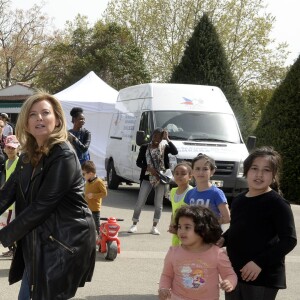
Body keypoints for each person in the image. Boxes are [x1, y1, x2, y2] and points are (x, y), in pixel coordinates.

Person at [0, 91, 96, 300]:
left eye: (45, 113)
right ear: (25, 122)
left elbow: (42, 205)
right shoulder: (27, 155)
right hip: (39, 239)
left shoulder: (64, 154)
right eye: (33, 114)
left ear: (58, 120)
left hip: (64, 243)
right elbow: (7, 193)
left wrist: (4, 236)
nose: (39, 118)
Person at [219, 147, 297, 300]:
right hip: (235, 272)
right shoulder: (239, 199)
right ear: (246, 171)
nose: (259, 174)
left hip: (262, 276)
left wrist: (259, 263)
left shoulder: (278, 204)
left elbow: (289, 240)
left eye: (266, 170)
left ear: (274, 176)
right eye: (254, 168)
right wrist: (223, 239)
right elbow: (239, 227)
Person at [158, 205, 237, 300]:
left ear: (202, 229)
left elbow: (230, 274)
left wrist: (229, 282)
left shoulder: (217, 254)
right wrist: (163, 288)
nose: (181, 231)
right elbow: (167, 275)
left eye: (187, 227)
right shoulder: (173, 252)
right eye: (179, 227)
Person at [128, 128, 178, 235]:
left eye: (159, 136)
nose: (157, 138)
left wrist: (168, 139)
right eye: (155, 136)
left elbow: (175, 151)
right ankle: (134, 224)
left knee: (158, 204)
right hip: (147, 178)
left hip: (161, 179)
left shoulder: (165, 147)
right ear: (152, 136)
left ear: (162, 137)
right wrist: (147, 168)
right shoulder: (145, 147)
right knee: (140, 202)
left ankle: (154, 227)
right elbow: (138, 162)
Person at [184, 153, 230, 228]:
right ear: (192, 171)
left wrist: (210, 226)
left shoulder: (216, 193)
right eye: (197, 168)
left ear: (212, 171)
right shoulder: (189, 193)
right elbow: (185, 216)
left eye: (205, 169)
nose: (201, 172)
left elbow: (227, 218)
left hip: (210, 237)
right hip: (193, 236)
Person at [1, 135, 20, 258]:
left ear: (18, 149)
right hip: (8, 201)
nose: (10, 150)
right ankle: (12, 249)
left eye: (13, 148)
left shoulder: (20, 161)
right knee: (7, 225)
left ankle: (15, 250)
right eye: (8, 147)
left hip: (16, 201)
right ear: (4, 149)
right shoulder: (6, 162)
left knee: (12, 226)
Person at [168, 162, 193, 246]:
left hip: (186, 231)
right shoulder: (173, 191)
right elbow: (173, 211)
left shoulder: (192, 192)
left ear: (190, 176)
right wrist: (172, 224)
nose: (179, 176)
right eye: (177, 173)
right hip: (176, 230)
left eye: (183, 174)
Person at [82, 160, 107, 235]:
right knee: (86, 225)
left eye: (83, 174)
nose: (83, 176)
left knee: (96, 226)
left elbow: (104, 193)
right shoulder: (88, 181)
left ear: (91, 173)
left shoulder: (99, 182)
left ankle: (100, 240)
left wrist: (93, 195)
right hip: (87, 207)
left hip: (95, 209)